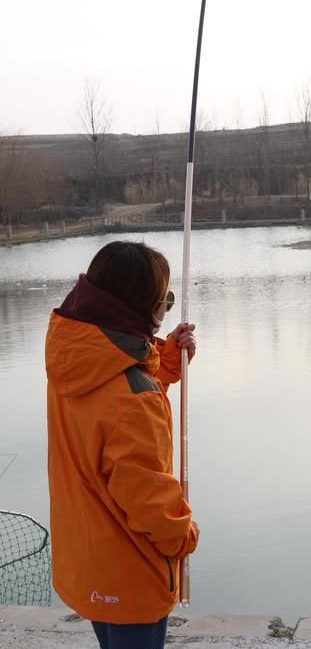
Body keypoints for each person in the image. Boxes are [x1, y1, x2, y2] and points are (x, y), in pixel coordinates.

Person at [46, 240, 199, 649]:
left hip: (88, 560)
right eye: (163, 300)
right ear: (138, 307)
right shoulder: (132, 396)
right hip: (130, 571)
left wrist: (165, 361)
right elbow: (147, 497)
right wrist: (184, 537)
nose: (166, 308)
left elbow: (109, 412)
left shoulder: (75, 356)